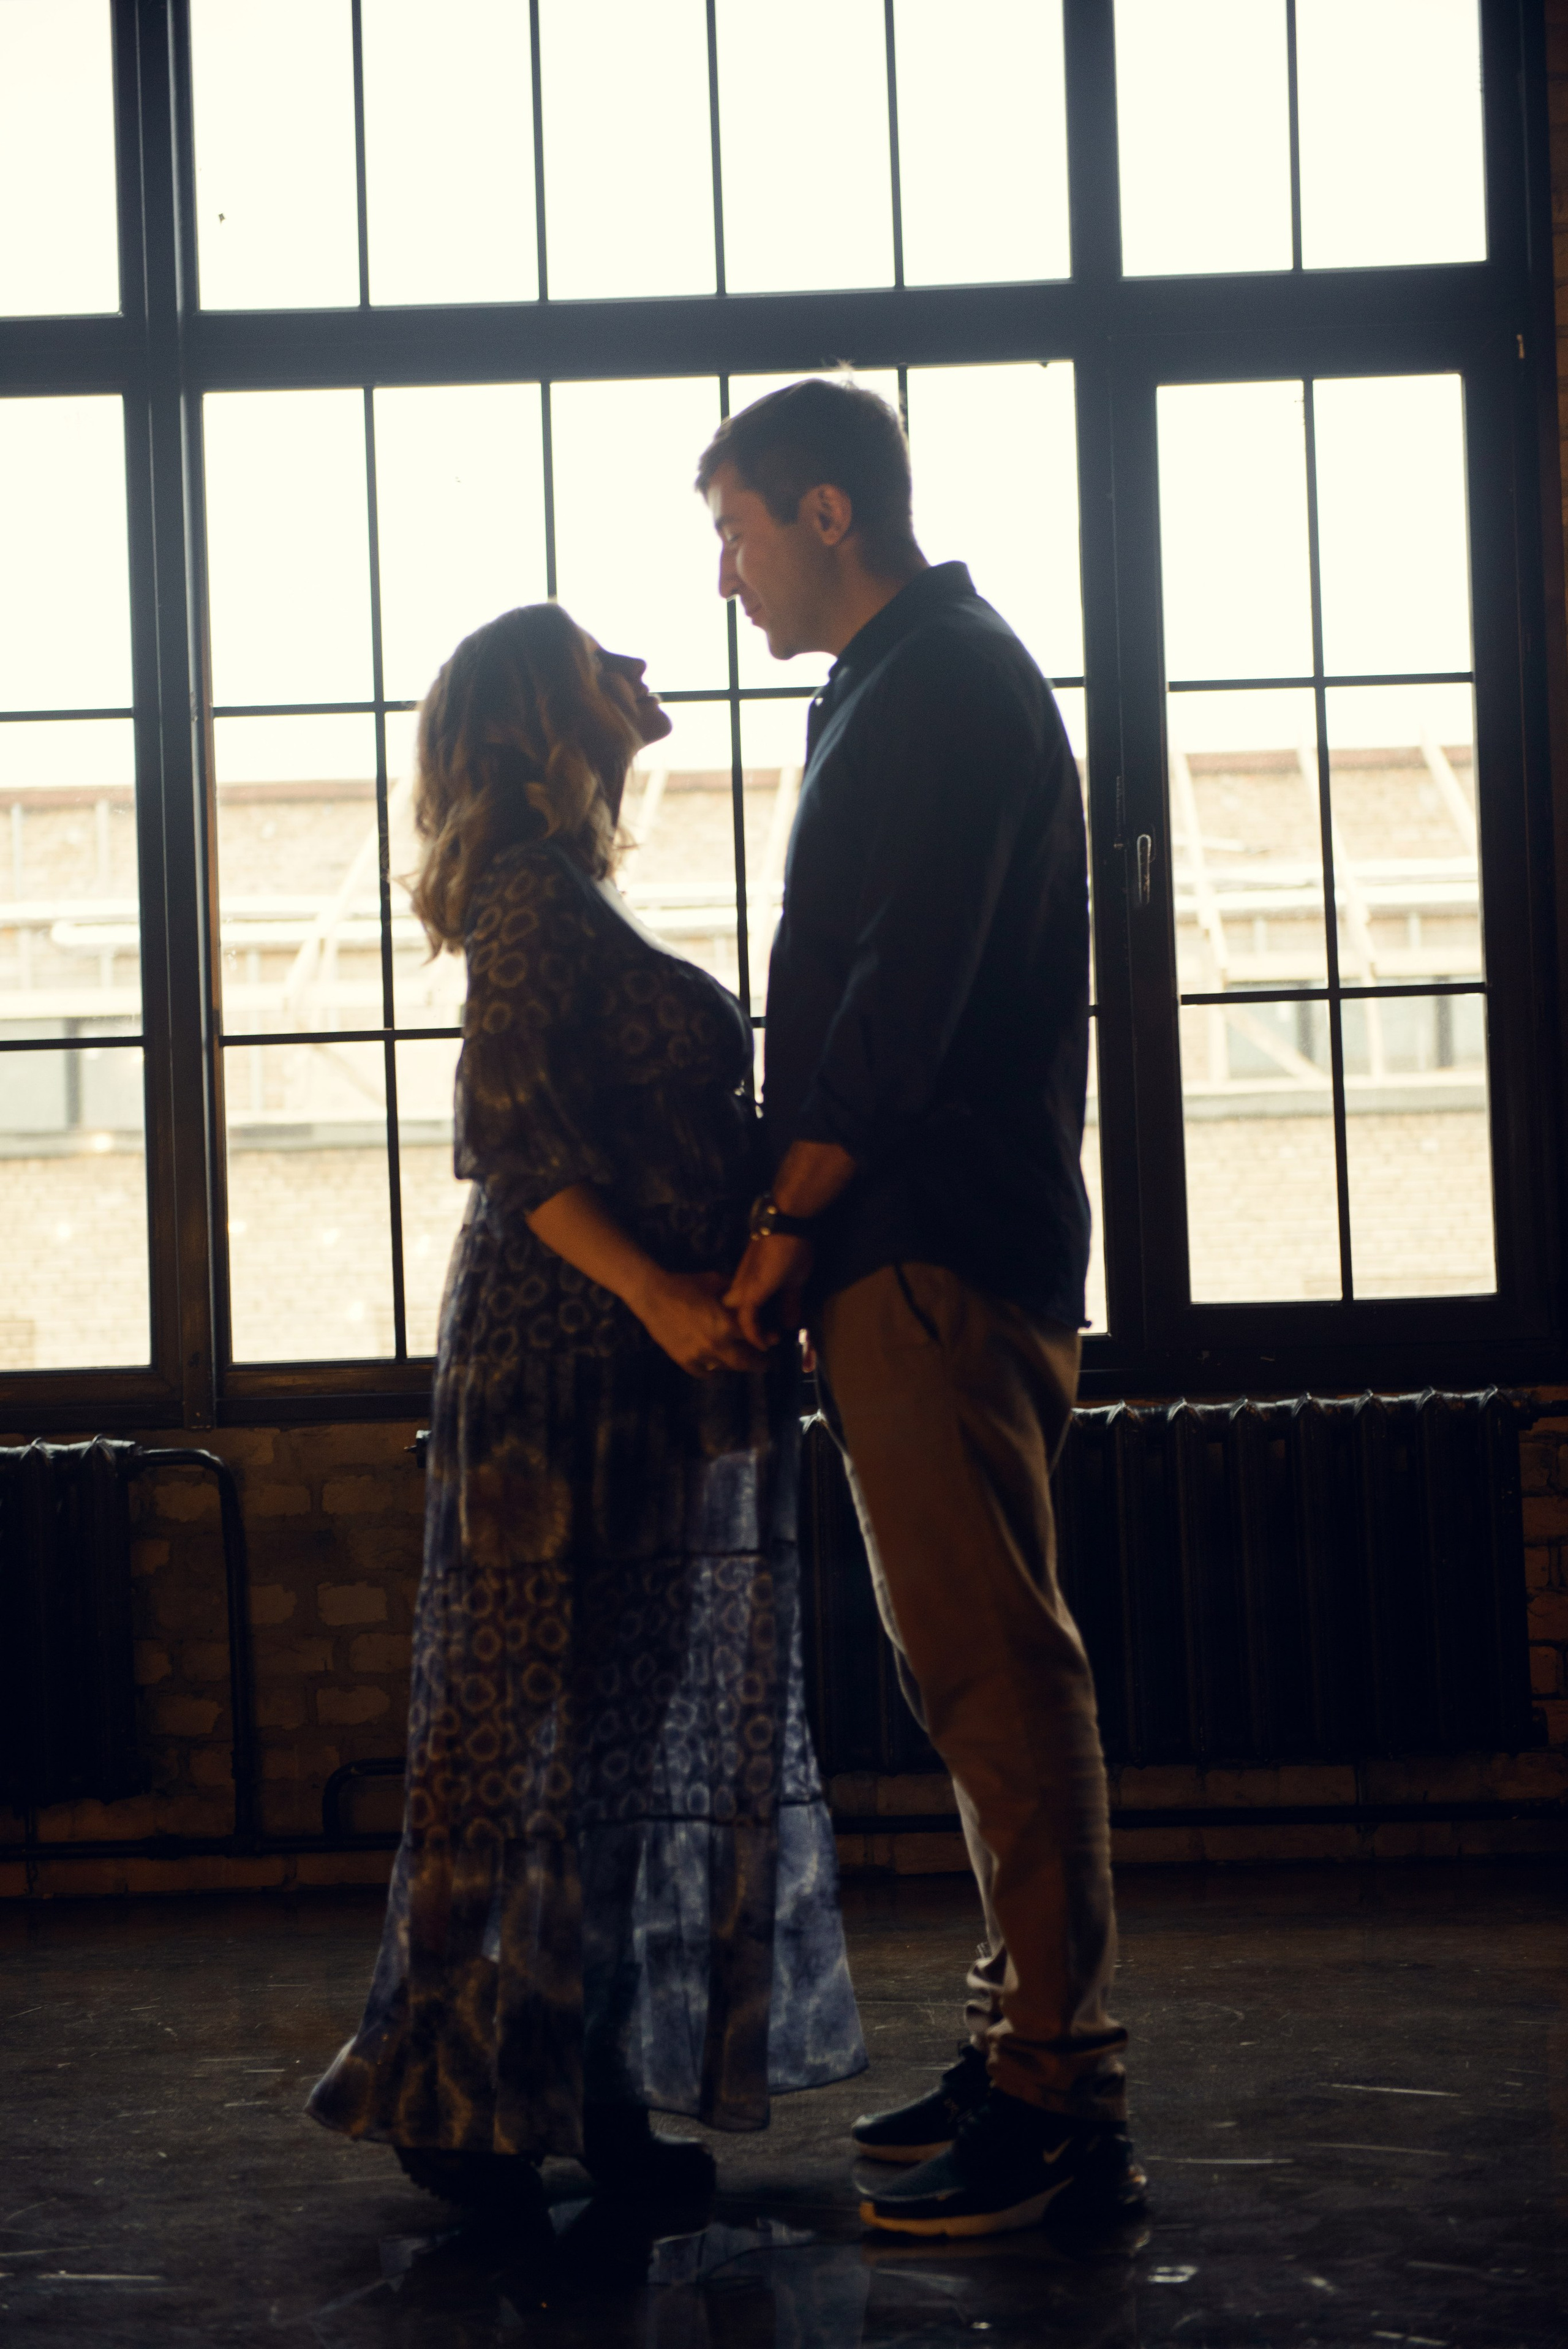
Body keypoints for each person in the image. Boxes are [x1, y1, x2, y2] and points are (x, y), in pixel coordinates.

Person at [307, 601, 865, 2218]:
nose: (642, 668)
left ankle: (586, 2085)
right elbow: (513, 1139)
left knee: (609, 1748)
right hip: (556, 1380)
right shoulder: (528, 894)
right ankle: (456, 2099)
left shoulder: (571, 887)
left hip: (629, 1381)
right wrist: (670, 1297)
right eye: (602, 657)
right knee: (516, 1744)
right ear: (542, 717)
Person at [696, 379, 1144, 2239]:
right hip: (924, 1245)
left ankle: (1061, 2092)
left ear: (827, 513)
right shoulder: (904, 683)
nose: (725, 576)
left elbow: (901, 998)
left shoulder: (944, 681)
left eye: (734, 532)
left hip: (932, 1244)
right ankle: (1022, 2038)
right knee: (969, 1665)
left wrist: (786, 1226)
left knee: (994, 1668)